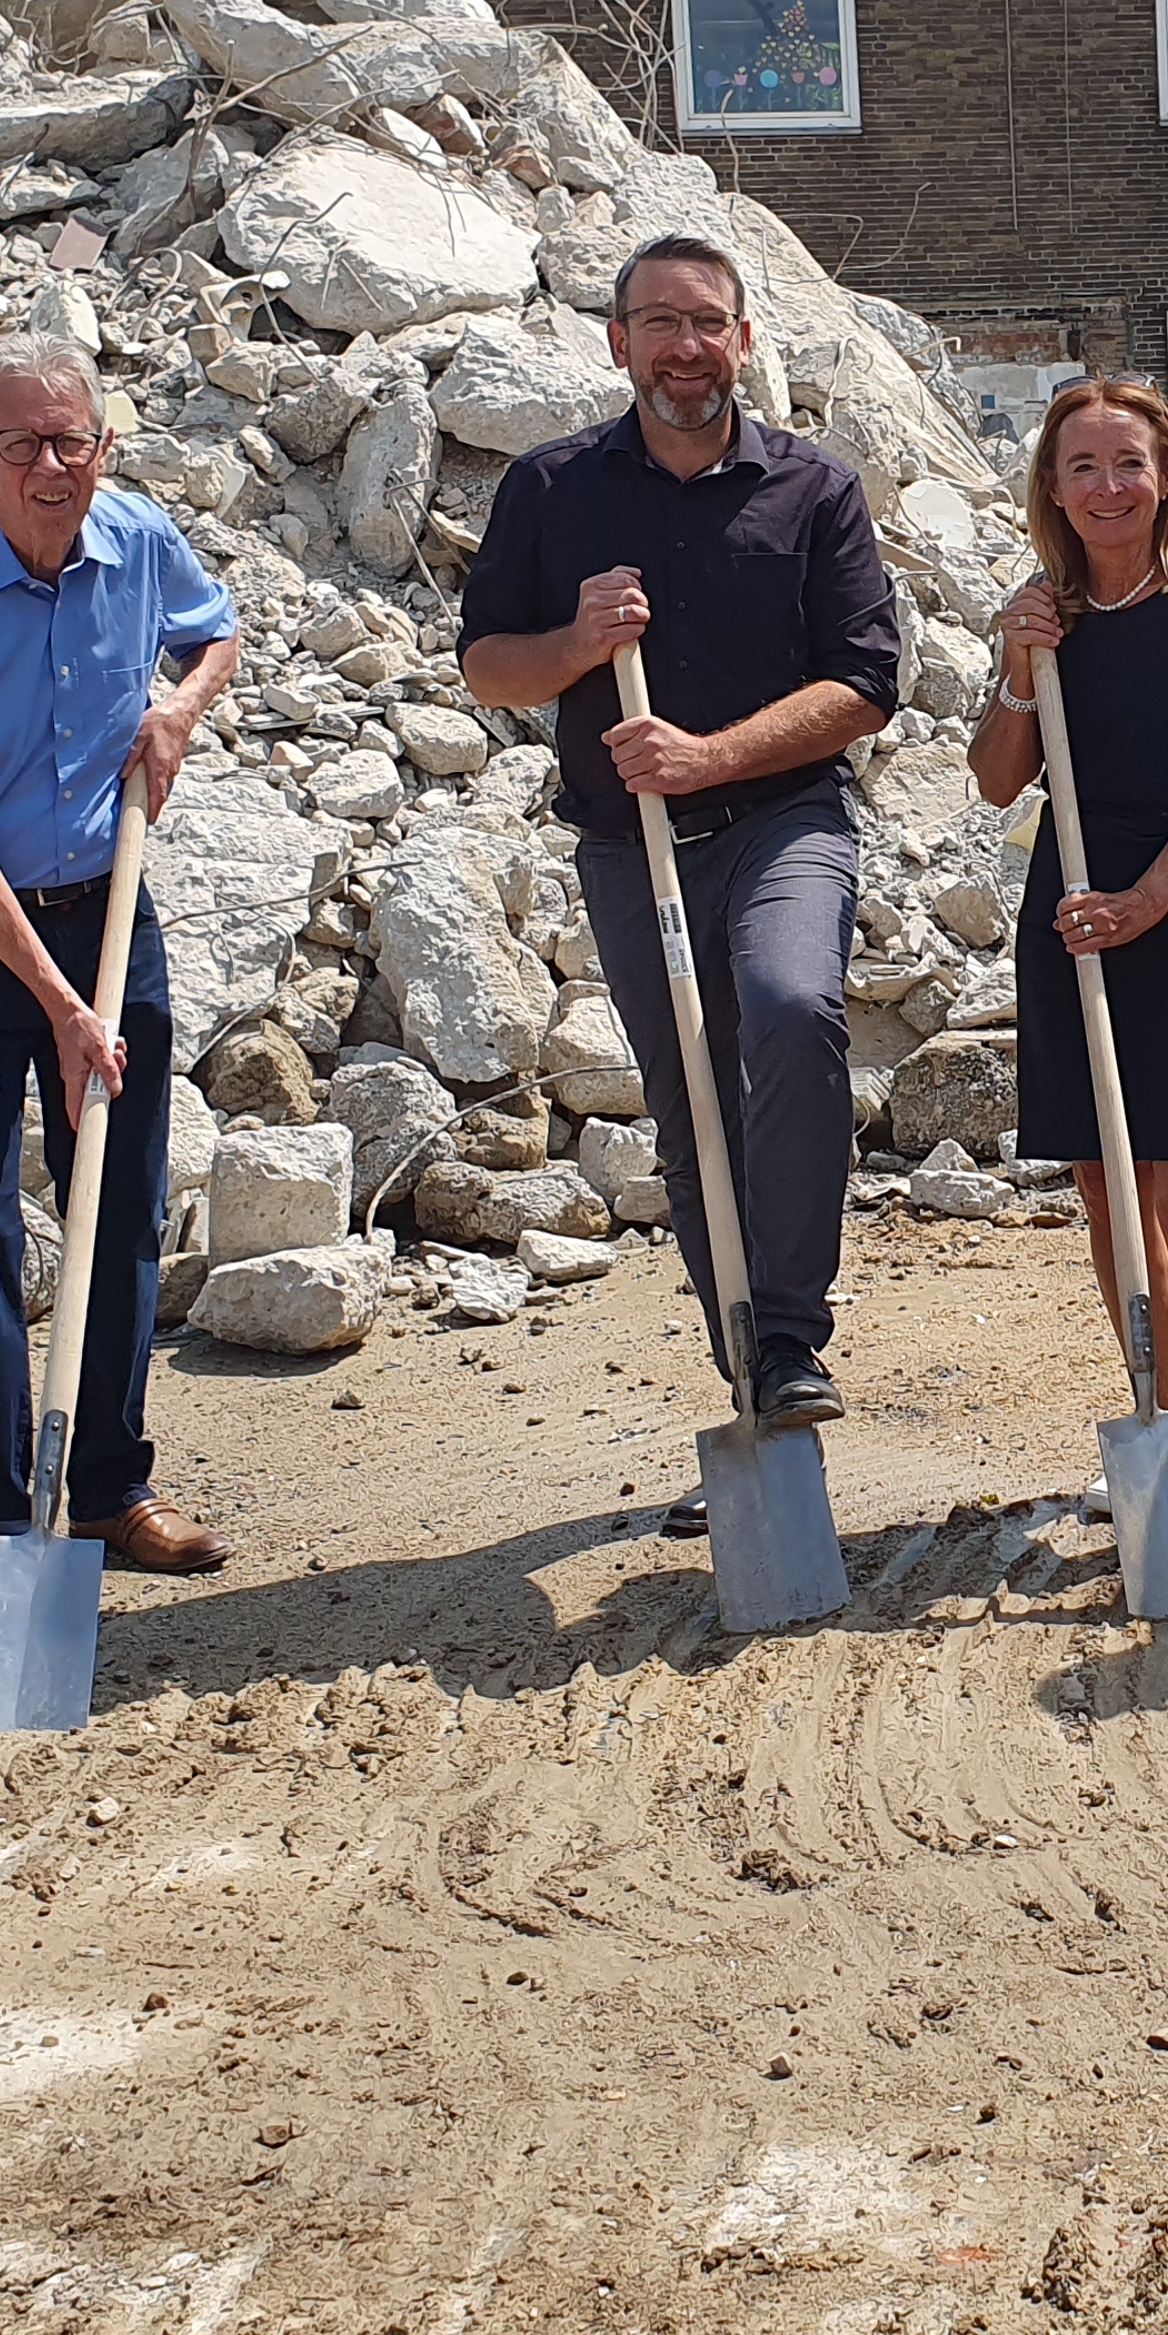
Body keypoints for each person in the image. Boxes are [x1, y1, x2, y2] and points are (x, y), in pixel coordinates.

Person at [459, 234, 899, 1515]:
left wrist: (708, 755)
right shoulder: (553, 491)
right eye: (659, 322)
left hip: (781, 827)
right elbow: (489, 664)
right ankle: (756, 1373)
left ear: (745, 342)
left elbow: (865, 685)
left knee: (791, 1013)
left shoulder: (815, 491)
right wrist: (578, 644)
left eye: (708, 322)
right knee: (693, 1103)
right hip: (626, 849)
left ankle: (791, 1326)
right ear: (618, 344)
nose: (685, 346)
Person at [0, 332, 242, 1647]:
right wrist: (62, 1007)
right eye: (19, 443)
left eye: (70, 440)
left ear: (103, 447)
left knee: (120, 1204)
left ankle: (109, 1489)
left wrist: (180, 709)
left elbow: (218, 631)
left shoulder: (137, 540)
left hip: (111, 917)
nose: (48, 465)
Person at [970, 380, 1168, 1563]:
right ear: (1052, 485)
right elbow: (1002, 781)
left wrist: (1149, 902)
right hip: (1074, 909)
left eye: (1130, 463)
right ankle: (1162, 1424)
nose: (1109, 487)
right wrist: (1014, 665)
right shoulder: (1046, 615)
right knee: (1107, 1189)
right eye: (1084, 466)